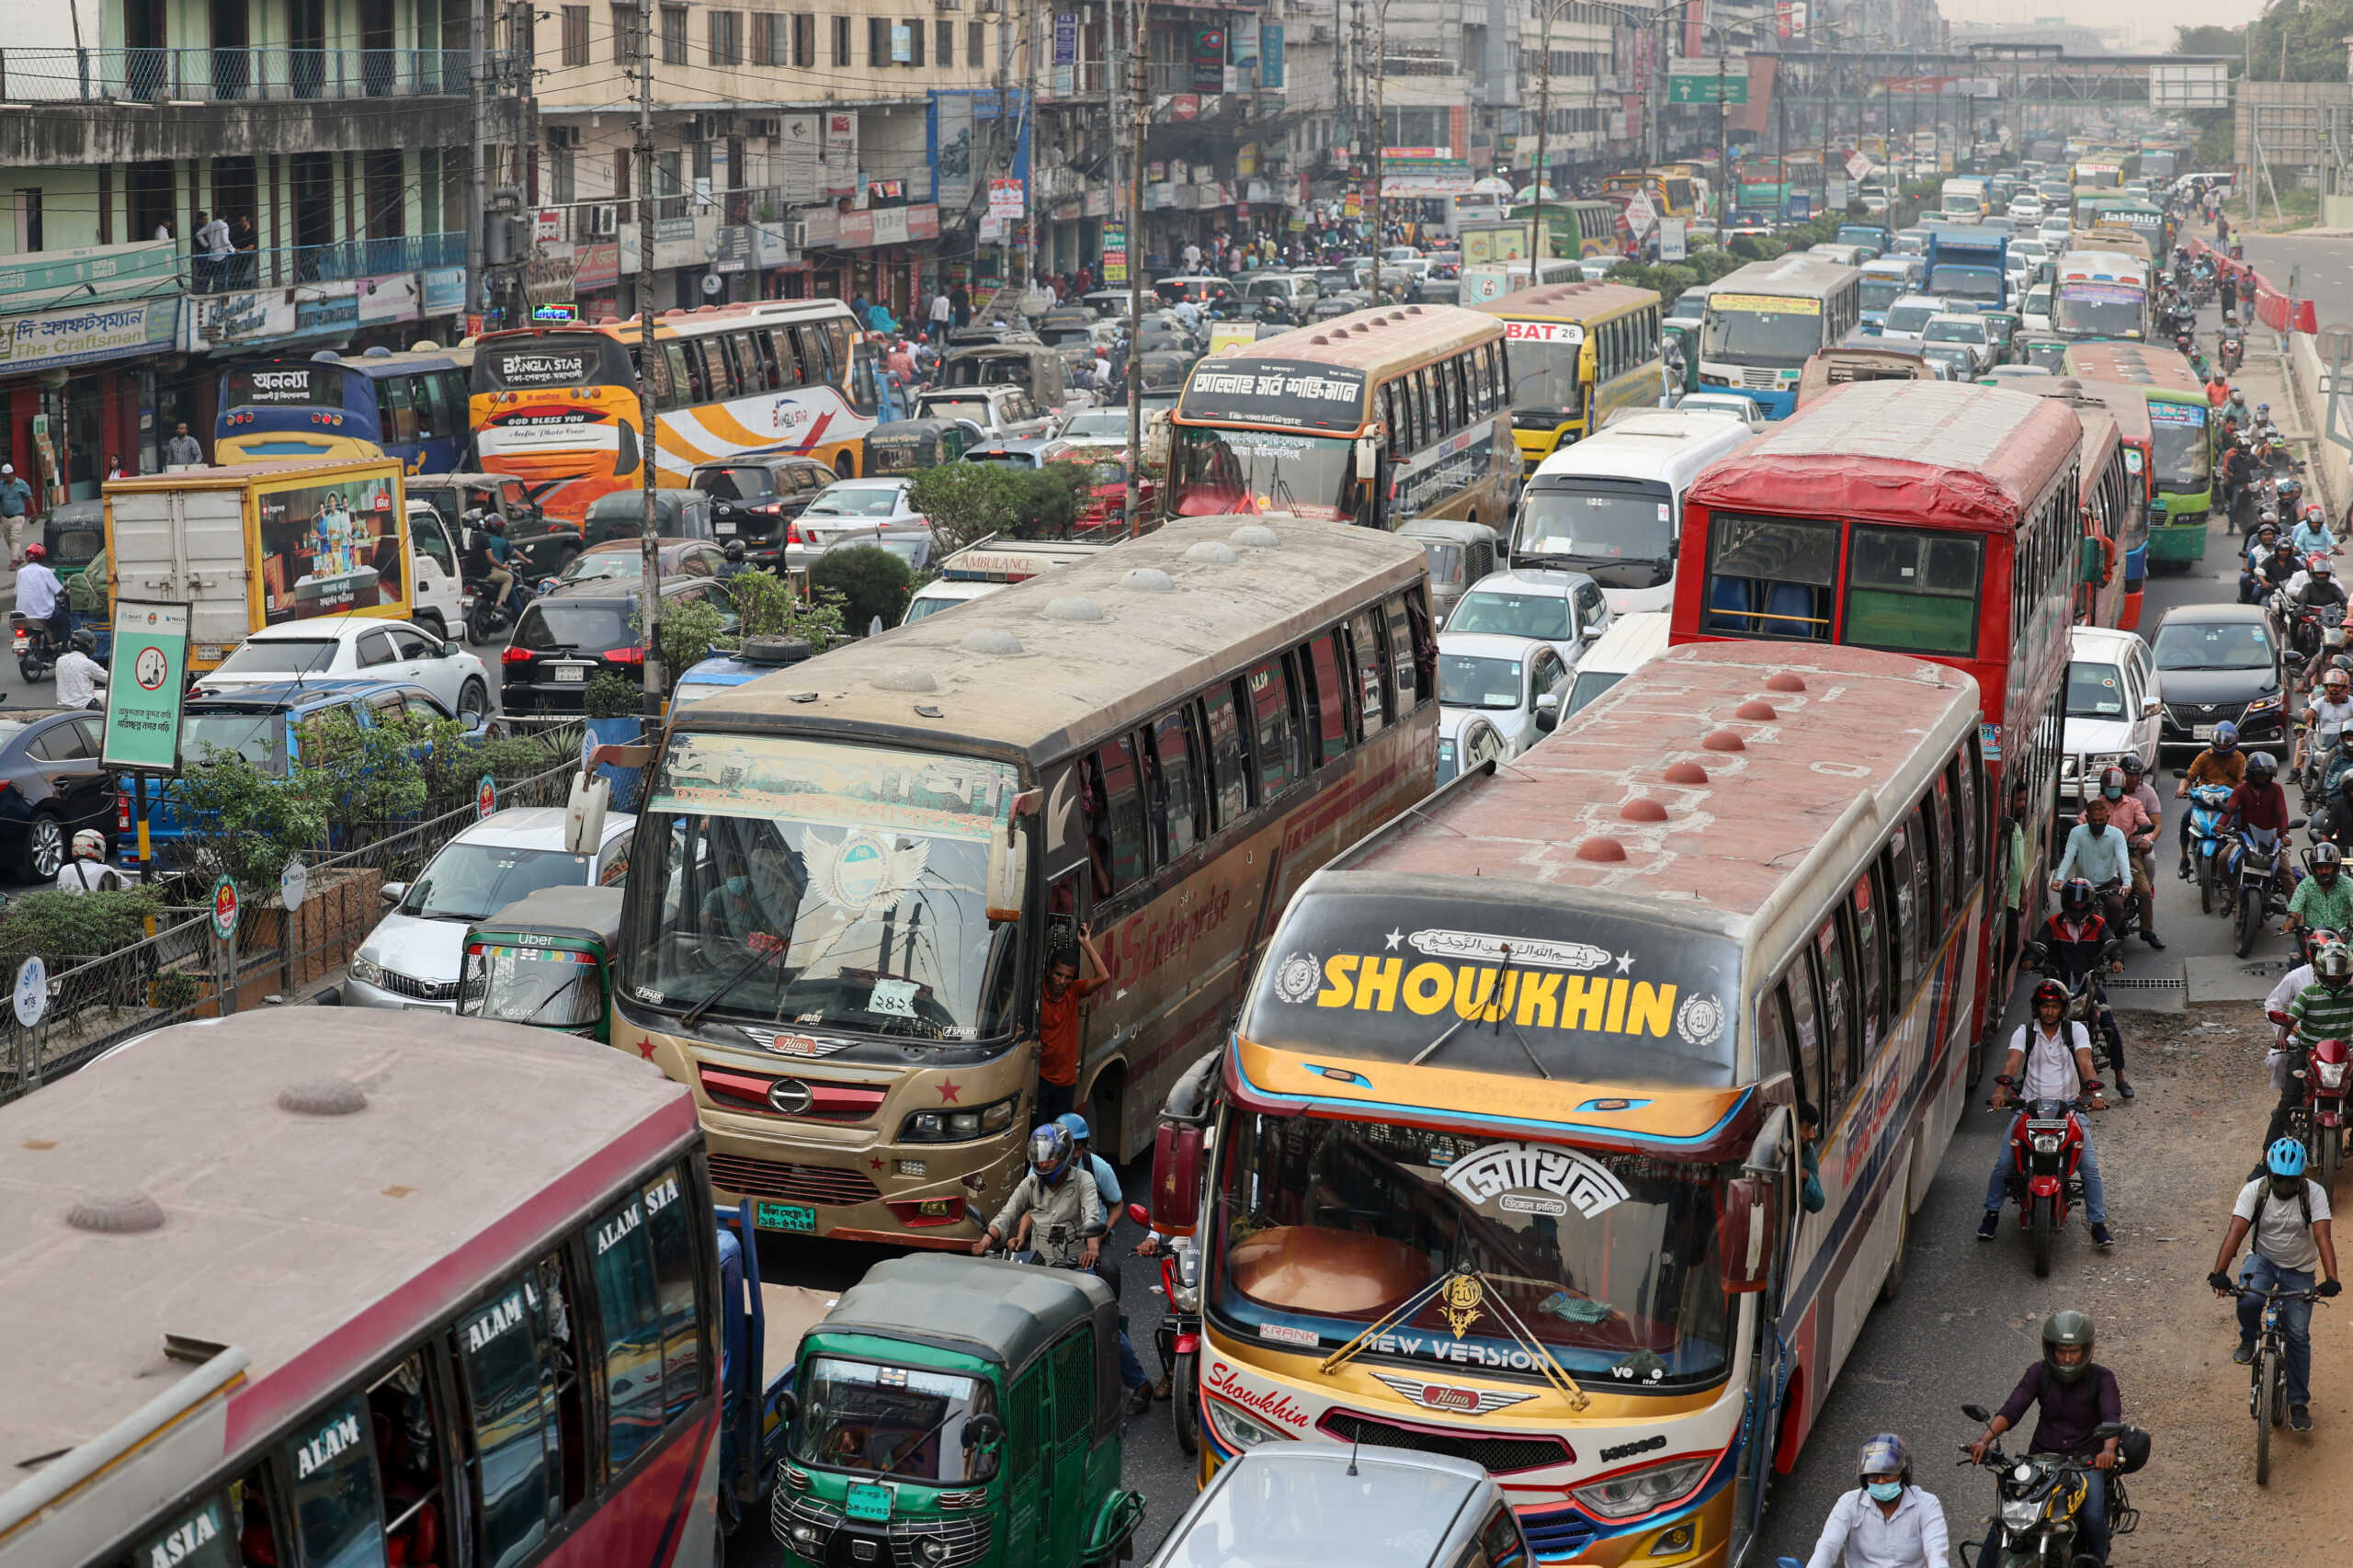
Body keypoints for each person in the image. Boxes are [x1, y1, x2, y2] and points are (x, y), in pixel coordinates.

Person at [1967, 1312, 2123, 1565]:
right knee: (2009, 1516)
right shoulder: (2038, 1373)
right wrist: (1985, 1440)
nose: (2067, 1358)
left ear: (2086, 1350)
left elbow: (2111, 1418)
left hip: (2085, 1463)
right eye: (2061, 1351)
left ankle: (2096, 1561)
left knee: (2093, 1516)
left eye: (2073, 1351)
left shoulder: (2102, 1378)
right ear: (2049, 1350)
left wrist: (2107, 1451)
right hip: (2040, 1460)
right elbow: (2012, 1409)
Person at [2209, 1138, 2342, 1434]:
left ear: (2300, 1177)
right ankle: (2248, 1337)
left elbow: (2323, 1237)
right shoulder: (2254, 1191)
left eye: (2290, 1180)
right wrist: (2219, 1272)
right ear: (2270, 1173)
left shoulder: (2315, 1194)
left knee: (2297, 1335)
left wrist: (2331, 1278)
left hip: (2300, 1269)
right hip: (2263, 1260)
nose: (2284, 1185)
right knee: (2248, 1300)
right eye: (2279, 1178)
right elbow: (2237, 1230)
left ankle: (2297, 1404)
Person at [1980, 978, 2111, 1244]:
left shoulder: (2076, 1031)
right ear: (2036, 1008)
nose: (2049, 1011)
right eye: (2044, 1006)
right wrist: (2000, 1093)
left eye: (2054, 1006)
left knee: (2089, 1169)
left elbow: (2085, 1063)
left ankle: (2098, 1223)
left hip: (2069, 1109)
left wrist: (2096, 1094)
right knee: (2004, 1164)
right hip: (2029, 1108)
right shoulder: (2024, 1032)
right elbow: (2011, 1065)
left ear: (2062, 1007)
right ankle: (1990, 1215)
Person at [1054, 1112, 1155, 1415]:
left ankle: (1139, 1383)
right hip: (1053, 1248)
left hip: (1090, 1247)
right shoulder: (1042, 1168)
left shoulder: (1097, 1170)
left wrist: (1104, 1231)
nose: (1076, 1153)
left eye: (1079, 1147)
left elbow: (1116, 1203)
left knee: (1102, 1317)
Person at [1802, 1434, 1949, 1568]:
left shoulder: (1927, 1504)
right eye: (1873, 1476)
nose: (1880, 1482)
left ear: (1903, 1475)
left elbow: (1936, 1551)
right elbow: (1828, 1546)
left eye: (1888, 1475)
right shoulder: (1849, 1503)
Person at [972, 1122, 1104, 1267]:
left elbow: (1090, 1216)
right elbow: (1007, 1214)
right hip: (1036, 1267)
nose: (1044, 1164)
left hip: (1074, 1265)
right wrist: (986, 1241)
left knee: (1106, 1274)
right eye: (1040, 1158)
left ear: (1064, 1155)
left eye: (1049, 1158)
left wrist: (1092, 1249)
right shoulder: (1030, 1184)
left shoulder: (1084, 1180)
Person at [2268, 942, 2353, 1147]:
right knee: (2286, 1104)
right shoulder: (2308, 994)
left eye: (2339, 974)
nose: (2335, 978)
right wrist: (2282, 1037)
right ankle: (2265, 1159)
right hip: (2309, 1054)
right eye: (2331, 974)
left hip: (2343, 1056)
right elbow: (2289, 1020)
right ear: (2319, 971)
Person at [1036, 924, 1107, 1122]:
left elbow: (1104, 976)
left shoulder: (1073, 991)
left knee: (1060, 1136)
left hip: (1065, 1083)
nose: (1061, 981)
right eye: (1058, 975)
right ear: (1049, 972)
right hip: (1040, 1080)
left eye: (1067, 977)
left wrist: (1086, 944)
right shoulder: (1037, 996)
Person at [2223, 752, 2292, 920]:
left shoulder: (2276, 790)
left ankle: (2297, 917)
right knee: (2222, 858)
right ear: (2251, 774)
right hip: (2245, 838)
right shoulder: (2241, 790)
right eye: (2259, 774)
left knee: (2287, 875)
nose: (2263, 778)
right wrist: (2220, 825)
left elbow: (2282, 814)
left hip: (2271, 841)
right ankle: (2232, 894)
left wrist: (2285, 835)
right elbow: (2229, 809)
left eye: (2266, 775)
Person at [2051, 792, 2130, 897]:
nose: (2097, 823)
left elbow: (2122, 859)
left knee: (2116, 906)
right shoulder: (2076, 833)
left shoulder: (2117, 834)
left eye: (2101, 820)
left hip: (2108, 883)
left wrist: (2127, 882)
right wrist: (2059, 878)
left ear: (2107, 818)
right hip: (2082, 884)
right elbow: (2068, 857)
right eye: (2094, 820)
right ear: (2087, 819)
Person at [16, 542, 65, 655]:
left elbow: (16, 592)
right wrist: (66, 593)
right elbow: (59, 590)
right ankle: (64, 649)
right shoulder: (45, 572)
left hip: (22, 615)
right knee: (65, 619)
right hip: (42, 615)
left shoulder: (20, 572)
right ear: (42, 556)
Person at [54, 829, 122, 894]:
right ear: (99, 847)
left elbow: (60, 891)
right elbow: (127, 885)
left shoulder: (64, 870)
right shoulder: (105, 869)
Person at [53, 627, 106, 711]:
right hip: (83, 707)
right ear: (88, 646)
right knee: (105, 697)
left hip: (63, 706)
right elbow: (109, 679)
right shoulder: (88, 664)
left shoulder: (60, 660)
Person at [480, 512, 520, 615]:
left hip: (477, 573)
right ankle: (502, 605)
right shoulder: (500, 541)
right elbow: (493, 560)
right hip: (491, 571)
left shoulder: (480, 538)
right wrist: (527, 560)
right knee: (509, 579)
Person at [0, 462, 30, 568]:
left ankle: (13, 561)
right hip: (5, 518)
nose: (5, 478)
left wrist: (35, 512)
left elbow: (29, 497)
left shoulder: (21, 484)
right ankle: (19, 557)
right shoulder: (1, 485)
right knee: (8, 539)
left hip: (18, 516)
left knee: (14, 538)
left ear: (13, 474)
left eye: (7, 476)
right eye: (4, 476)